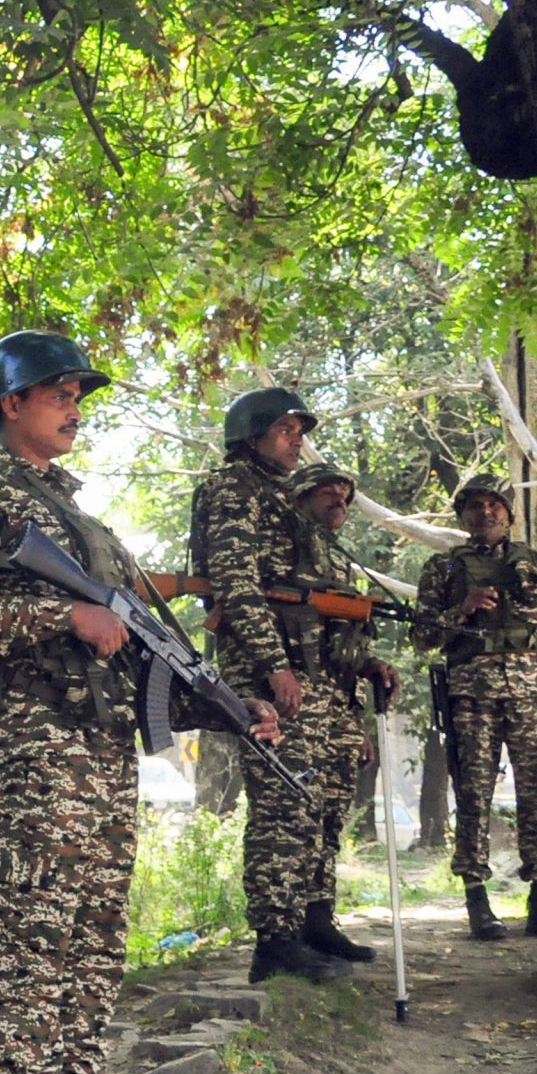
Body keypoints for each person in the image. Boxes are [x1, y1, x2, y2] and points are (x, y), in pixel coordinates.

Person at [0, 333, 279, 1074]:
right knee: (40, 928)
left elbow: (139, 653)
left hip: (99, 744)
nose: (76, 406)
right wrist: (62, 615)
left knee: (93, 928)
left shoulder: (77, 510)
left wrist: (227, 704)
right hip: (35, 746)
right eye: (59, 393)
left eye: (79, 392)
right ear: (11, 404)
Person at [189, 388, 352, 985]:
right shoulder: (233, 488)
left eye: (299, 431)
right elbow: (235, 582)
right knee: (286, 800)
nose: (297, 441)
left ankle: (311, 919)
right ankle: (274, 938)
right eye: (285, 430)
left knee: (318, 800)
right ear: (252, 434)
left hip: (304, 668)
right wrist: (274, 664)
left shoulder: (278, 499)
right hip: (266, 670)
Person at [412, 473, 537, 939]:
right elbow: (421, 637)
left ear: (509, 514)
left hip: (531, 693)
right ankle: (477, 897)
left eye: (495, 504)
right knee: (473, 794)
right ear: (463, 517)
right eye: (475, 506)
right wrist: (461, 609)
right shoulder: (444, 570)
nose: (486, 512)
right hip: (472, 692)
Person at [276, 462, 399, 958]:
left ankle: (319, 917)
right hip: (298, 694)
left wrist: (370, 664)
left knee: (331, 813)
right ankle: (280, 931)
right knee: (293, 814)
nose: (339, 502)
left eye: (346, 496)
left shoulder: (342, 560)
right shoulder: (282, 546)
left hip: (339, 701)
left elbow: (339, 644)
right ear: (302, 496)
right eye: (328, 493)